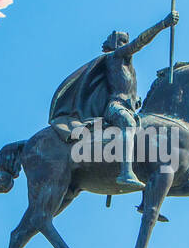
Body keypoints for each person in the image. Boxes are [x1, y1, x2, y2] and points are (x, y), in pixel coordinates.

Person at [47, 11, 179, 191]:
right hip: (115, 107)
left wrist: (136, 101)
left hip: (128, 107)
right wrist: (163, 24)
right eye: (123, 42)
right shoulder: (115, 57)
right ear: (116, 44)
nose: (127, 45)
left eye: (126, 42)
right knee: (128, 124)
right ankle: (126, 172)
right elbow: (140, 41)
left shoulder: (128, 67)